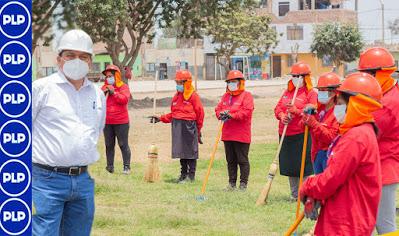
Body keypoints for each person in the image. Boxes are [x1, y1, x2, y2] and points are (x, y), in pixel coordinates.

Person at [32, 29, 106, 235]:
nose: (77, 61)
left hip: (82, 181)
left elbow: (96, 130)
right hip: (45, 181)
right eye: (70, 55)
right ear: (59, 59)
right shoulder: (41, 89)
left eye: (83, 57)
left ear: (90, 61)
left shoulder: (97, 95)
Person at [300, 72, 383, 235]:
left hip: (346, 222)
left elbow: (330, 179)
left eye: (340, 102)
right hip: (346, 215)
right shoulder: (361, 132)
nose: (337, 106)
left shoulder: (356, 137)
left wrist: (308, 186)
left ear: (355, 104)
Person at [358, 47, 399, 234]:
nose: (365, 79)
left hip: (384, 169)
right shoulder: (385, 93)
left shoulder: (389, 102)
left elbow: (367, 135)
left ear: (382, 73)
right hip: (378, 167)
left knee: (385, 225)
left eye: (368, 74)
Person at [150, 70, 204, 183]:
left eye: (180, 82)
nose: (178, 85)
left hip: (189, 127)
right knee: (181, 152)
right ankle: (183, 175)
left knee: (190, 152)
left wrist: (198, 130)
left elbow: (200, 113)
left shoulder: (194, 96)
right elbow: (173, 114)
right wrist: (160, 118)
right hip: (178, 127)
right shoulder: (176, 96)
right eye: (177, 82)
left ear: (187, 82)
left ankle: (191, 176)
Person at [274, 61, 317, 201]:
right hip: (286, 133)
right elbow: (278, 108)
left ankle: (304, 193)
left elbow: (312, 113)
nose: (295, 78)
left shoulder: (311, 93)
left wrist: (297, 111)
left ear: (305, 77)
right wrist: (282, 116)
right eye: (293, 75)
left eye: (298, 76)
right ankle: (294, 194)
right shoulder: (288, 92)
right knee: (290, 165)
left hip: (301, 134)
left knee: (303, 166)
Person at [215, 70, 254, 191]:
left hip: (241, 134)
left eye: (234, 82)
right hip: (227, 134)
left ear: (240, 82)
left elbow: (246, 112)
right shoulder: (226, 96)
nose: (231, 84)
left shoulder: (247, 96)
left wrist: (231, 115)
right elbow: (218, 109)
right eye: (229, 82)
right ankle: (231, 183)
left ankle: (243, 184)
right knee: (230, 160)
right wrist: (220, 114)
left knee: (242, 160)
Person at [302, 72, 340, 174]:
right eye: (319, 90)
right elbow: (303, 127)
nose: (320, 93)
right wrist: (305, 117)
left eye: (323, 90)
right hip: (316, 154)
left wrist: (314, 123)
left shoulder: (339, 112)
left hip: (329, 156)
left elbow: (332, 138)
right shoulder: (318, 109)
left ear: (333, 93)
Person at [101, 65, 132, 174]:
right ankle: (110, 167)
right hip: (107, 122)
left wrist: (114, 93)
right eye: (107, 76)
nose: (108, 78)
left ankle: (126, 167)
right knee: (109, 145)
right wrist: (103, 94)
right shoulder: (103, 88)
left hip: (121, 121)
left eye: (110, 76)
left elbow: (124, 100)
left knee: (123, 144)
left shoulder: (123, 87)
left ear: (116, 76)